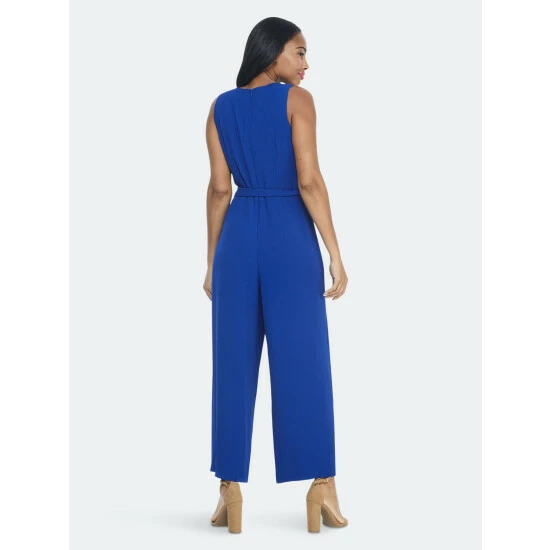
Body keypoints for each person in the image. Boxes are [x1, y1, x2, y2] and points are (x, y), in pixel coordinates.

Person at [204, 17, 349, 533]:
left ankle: (229, 490)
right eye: (299, 52)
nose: (306, 64)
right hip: (289, 236)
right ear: (272, 54)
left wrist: (212, 261)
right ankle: (321, 486)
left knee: (232, 363)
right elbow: (309, 181)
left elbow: (219, 189)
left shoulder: (220, 107)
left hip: (238, 238)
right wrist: (334, 251)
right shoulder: (297, 101)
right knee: (304, 360)